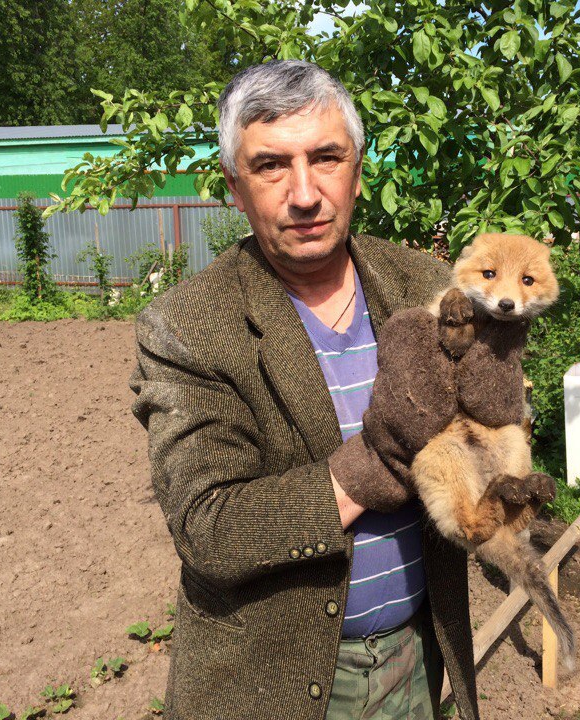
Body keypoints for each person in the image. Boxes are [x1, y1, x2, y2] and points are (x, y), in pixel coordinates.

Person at [129, 60, 479, 720]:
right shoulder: (188, 326)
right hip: (271, 684)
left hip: (415, 661)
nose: (305, 193)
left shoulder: (424, 285)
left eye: (326, 158)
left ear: (357, 169)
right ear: (236, 187)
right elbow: (210, 526)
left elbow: (481, 429)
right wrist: (371, 467)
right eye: (271, 166)